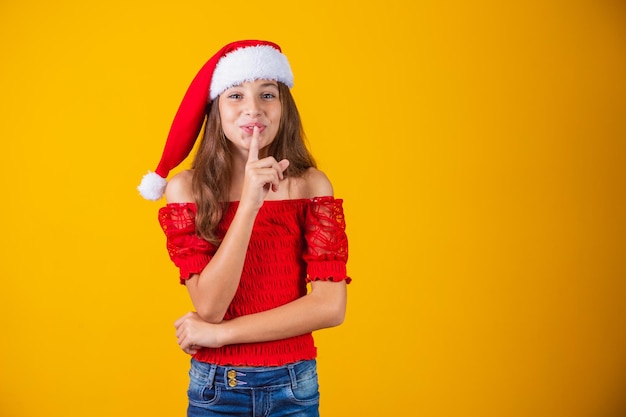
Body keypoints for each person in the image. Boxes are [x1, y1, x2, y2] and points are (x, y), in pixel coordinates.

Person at [137, 40, 351, 417]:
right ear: (215, 110)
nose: (253, 108)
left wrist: (221, 335)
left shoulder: (310, 185)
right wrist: (250, 204)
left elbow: (330, 306)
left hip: (294, 387)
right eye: (235, 95)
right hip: (218, 390)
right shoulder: (187, 189)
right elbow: (211, 306)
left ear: (284, 108)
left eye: (267, 94)